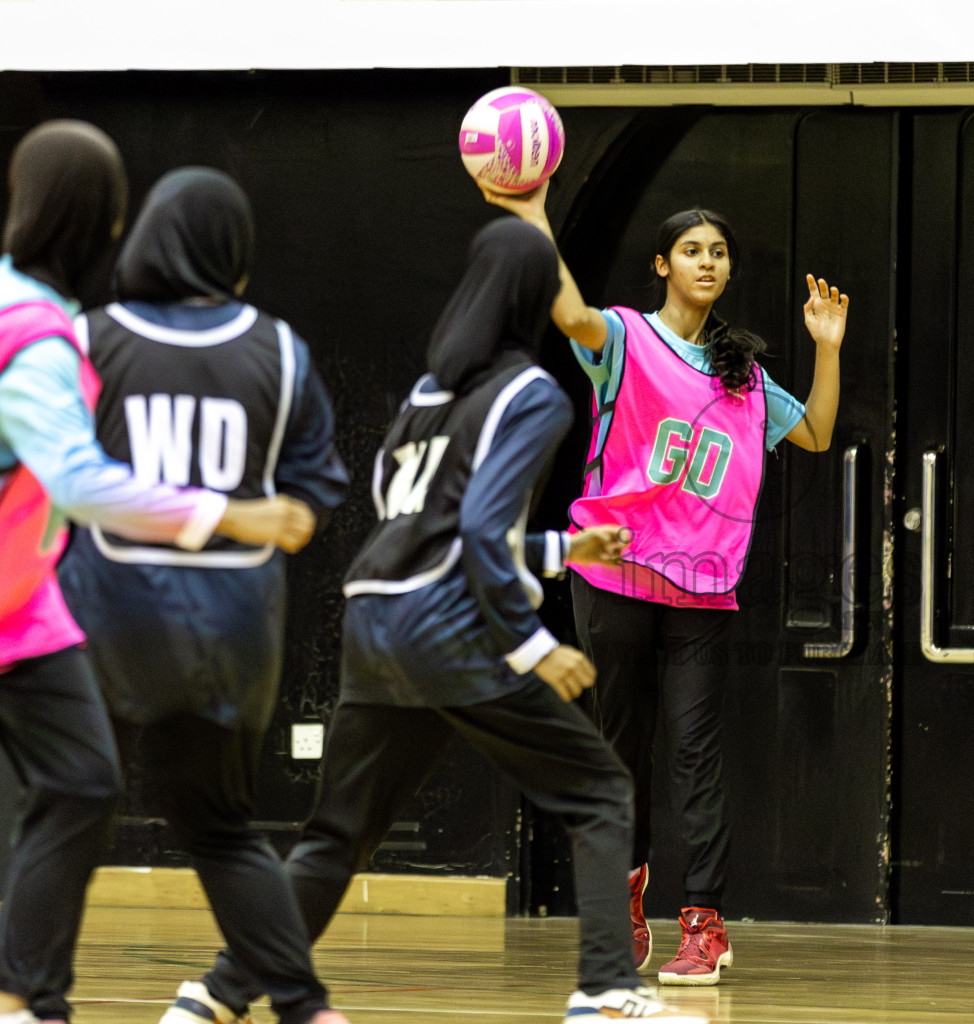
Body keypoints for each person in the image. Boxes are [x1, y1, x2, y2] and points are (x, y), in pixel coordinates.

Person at [186, 217, 708, 1024]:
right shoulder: (531, 395)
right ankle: (607, 988)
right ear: (535, 295)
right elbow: (474, 533)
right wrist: (533, 646)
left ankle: (217, 993)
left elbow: (429, 530)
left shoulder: (425, 396)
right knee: (603, 791)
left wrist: (562, 548)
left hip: (374, 621)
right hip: (448, 627)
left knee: (335, 837)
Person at [487, 182, 849, 985]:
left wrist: (826, 346)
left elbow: (819, 433)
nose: (707, 262)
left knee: (695, 751)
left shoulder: (743, 373)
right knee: (622, 748)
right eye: (692, 251)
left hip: (702, 586)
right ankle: (625, 893)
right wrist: (533, 213)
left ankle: (704, 923)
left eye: (718, 252)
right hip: (614, 571)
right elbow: (568, 311)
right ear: (662, 265)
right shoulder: (623, 337)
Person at [0, 121, 313, 1024]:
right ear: (98, 222)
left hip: (29, 607)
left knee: (73, 787)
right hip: (29, 606)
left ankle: (29, 999)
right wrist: (230, 514)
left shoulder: (40, 317)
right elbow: (80, 481)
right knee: (76, 787)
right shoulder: (42, 335)